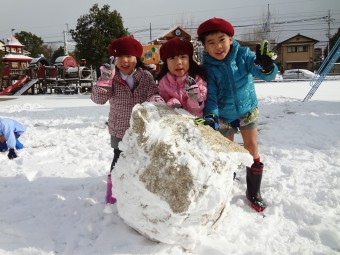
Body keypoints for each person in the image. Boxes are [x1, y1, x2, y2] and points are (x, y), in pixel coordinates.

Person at [197, 17, 278, 212]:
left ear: (231, 39)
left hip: (247, 110)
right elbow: (212, 96)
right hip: (224, 115)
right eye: (211, 42)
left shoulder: (243, 56)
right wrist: (212, 116)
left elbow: (267, 75)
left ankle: (253, 192)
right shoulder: (207, 68)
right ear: (205, 48)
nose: (218, 46)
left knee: (251, 147)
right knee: (228, 151)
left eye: (222, 39)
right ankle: (227, 182)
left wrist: (267, 67)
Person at [90, 36, 163, 204]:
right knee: (118, 158)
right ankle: (113, 191)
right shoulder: (111, 77)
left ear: (137, 58)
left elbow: (153, 94)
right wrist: (104, 80)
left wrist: (155, 99)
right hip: (119, 128)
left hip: (142, 129)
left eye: (129, 56)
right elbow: (98, 99)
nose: (124, 61)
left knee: (142, 159)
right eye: (120, 57)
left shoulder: (145, 76)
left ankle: (139, 190)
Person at [157, 37, 207, 117]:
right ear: (166, 63)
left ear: (189, 59)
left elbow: (198, 109)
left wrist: (193, 97)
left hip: (196, 124)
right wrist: (172, 102)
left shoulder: (197, 80)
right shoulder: (163, 82)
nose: (178, 62)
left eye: (183, 57)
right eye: (172, 58)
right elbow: (164, 106)